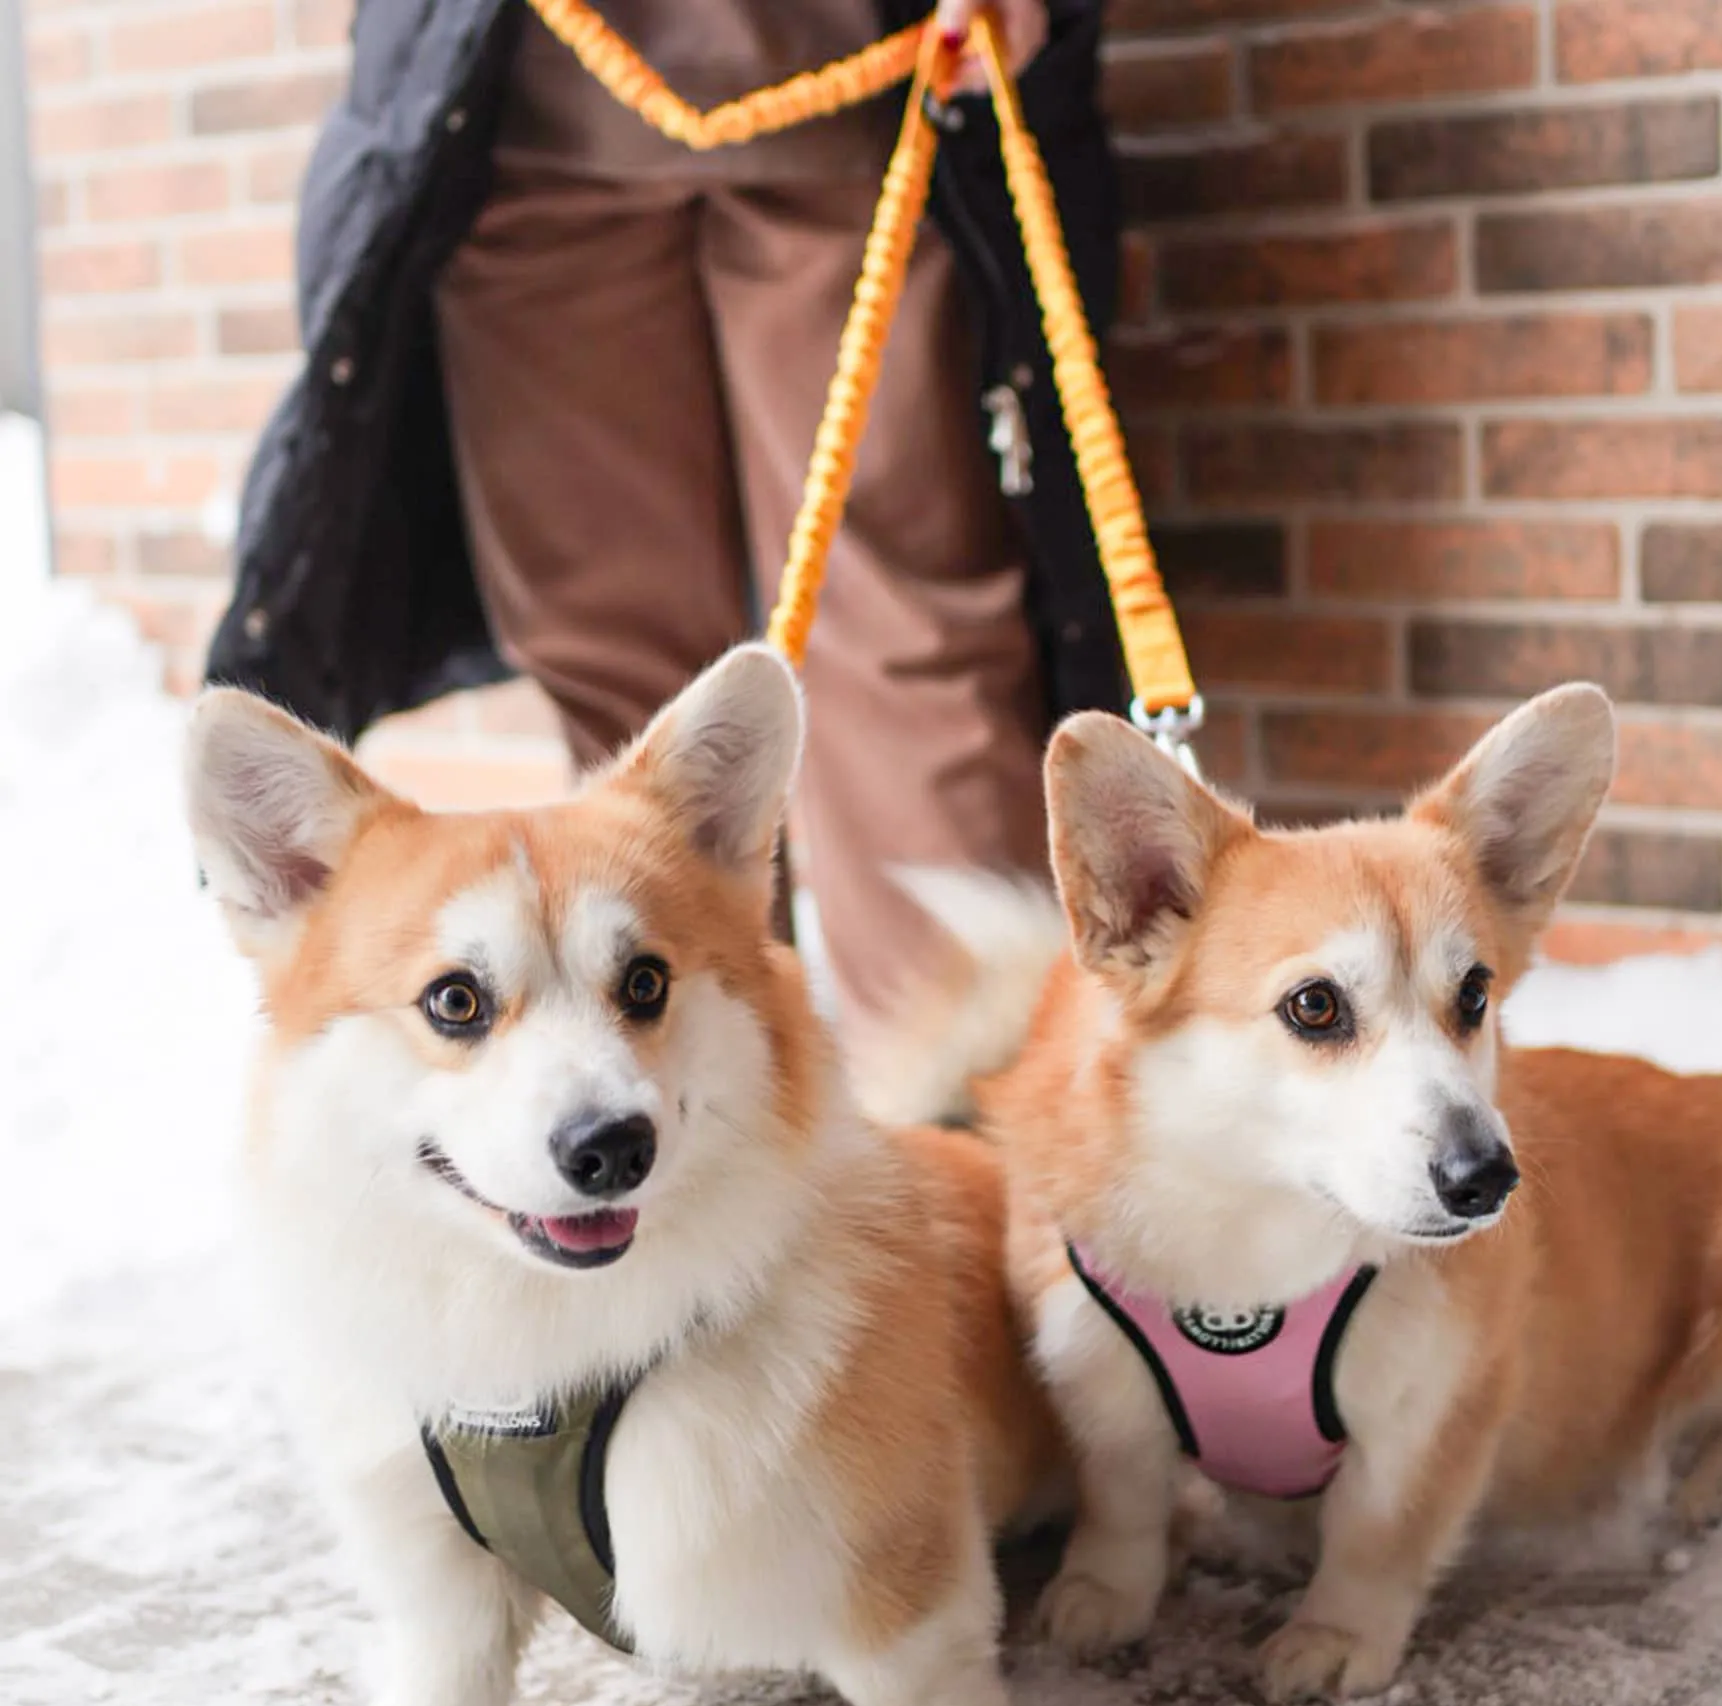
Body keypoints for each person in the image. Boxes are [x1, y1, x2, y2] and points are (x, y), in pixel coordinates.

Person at [207, 0, 1124, 1034]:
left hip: (825, 76)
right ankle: (708, 1138)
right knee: (664, 697)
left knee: (883, 640)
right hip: (532, 103)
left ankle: (973, 1144)